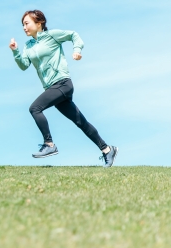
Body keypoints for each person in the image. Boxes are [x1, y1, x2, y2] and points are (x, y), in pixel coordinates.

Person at [9, 9, 118, 167]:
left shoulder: (52, 35)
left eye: (26, 23)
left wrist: (77, 50)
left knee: (35, 108)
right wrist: (15, 51)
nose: (24, 27)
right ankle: (108, 150)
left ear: (39, 23)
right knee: (80, 122)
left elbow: (73, 35)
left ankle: (49, 144)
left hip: (63, 83)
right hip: (51, 88)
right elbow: (24, 65)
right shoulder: (28, 45)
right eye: (22, 25)